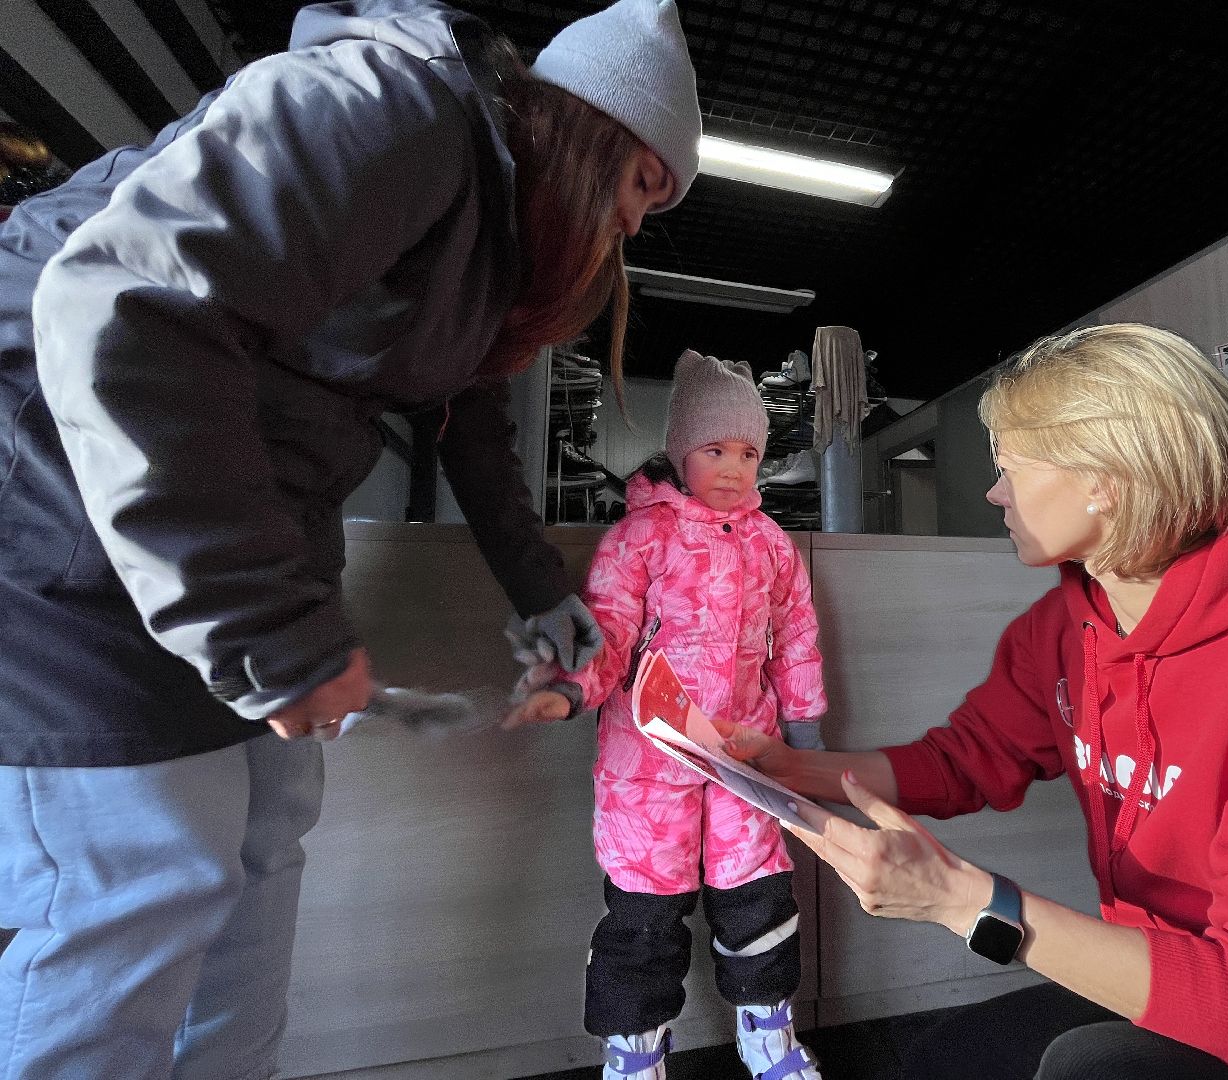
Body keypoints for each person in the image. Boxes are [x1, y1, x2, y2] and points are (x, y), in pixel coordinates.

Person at [0, 0, 702, 1075]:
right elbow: (119, 303)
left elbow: (469, 428)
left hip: (221, 515)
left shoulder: (486, 252)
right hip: (57, 489)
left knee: (266, 838)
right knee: (146, 872)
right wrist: (270, 632)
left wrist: (539, 593)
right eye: (641, 189)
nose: (635, 230)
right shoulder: (388, 109)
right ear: (587, 132)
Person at [721, 323, 1228, 1080]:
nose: (995, 492)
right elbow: (968, 759)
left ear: (1105, 479)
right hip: (1172, 983)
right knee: (944, 1062)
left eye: (1010, 468)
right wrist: (793, 771)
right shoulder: (1065, 625)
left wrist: (966, 901)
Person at [506, 351, 828, 1080]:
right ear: (681, 450)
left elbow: (799, 637)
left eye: (749, 453)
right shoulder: (638, 538)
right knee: (645, 916)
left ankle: (766, 1036)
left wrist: (804, 732)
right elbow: (610, 629)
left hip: (744, 757)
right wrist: (571, 689)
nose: (735, 468)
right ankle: (635, 1050)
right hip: (647, 769)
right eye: (716, 449)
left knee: (759, 900)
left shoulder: (771, 545)